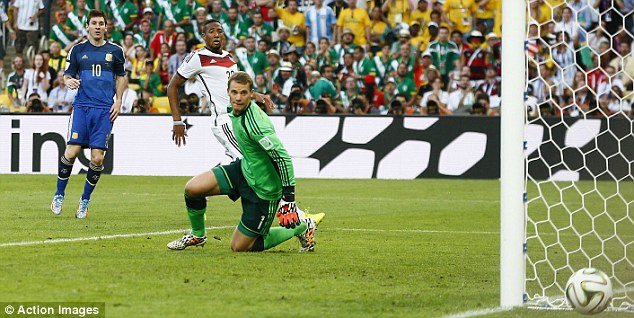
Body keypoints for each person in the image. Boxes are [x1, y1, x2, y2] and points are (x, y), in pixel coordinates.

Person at [167, 19, 324, 228]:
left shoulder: (229, 58)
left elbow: (235, 85)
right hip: (224, 121)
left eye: (219, 31)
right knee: (253, 169)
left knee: (259, 165)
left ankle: (205, 195)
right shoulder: (198, 58)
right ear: (204, 37)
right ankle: (299, 218)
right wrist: (177, 121)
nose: (216, 35)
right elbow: (172, 86)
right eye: (211, 32)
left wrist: (257, 96)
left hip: (240, 119)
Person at [167, 71, 318, 252]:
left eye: (243, 93)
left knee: (239, 247)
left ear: (250, 94)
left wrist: (289, 199)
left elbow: (283, 158)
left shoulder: (257, 125)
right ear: (228, 92)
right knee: (193, 189)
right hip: (244, 170)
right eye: (234, 92)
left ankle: (302, 226)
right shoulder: (232, 106)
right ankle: (198, 235)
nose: (238, 98)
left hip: (264, 190)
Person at [50, 10, 126, 218]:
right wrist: (68, 81)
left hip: (104, 110)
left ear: (106, 27)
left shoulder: (116, 51)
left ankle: (84, 201)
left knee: (97, 158)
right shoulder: (77, 50)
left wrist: (118, 101)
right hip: (82, 106)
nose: (98, 26)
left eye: (102, 23)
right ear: (88, 26)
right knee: (72, 152)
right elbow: (67, 74)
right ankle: (59, 194)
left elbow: (121, 77)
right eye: (94, 23)